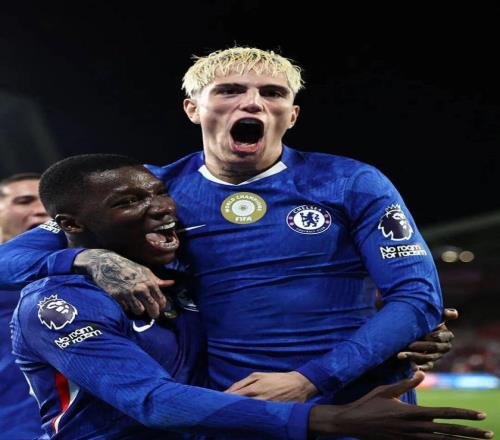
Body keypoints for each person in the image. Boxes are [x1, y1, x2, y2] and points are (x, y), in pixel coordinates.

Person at [0, 48, 460, 433]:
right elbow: (10, 260)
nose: (253, 102)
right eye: (230, 90)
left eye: (273, 93)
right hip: (236, 411)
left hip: (360, 400)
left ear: (292, 114)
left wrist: (310, 379)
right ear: (193, 109)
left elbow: (418, 298)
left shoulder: (350, 182)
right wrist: (88, 258)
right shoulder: (156, 191)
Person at [11, 154, 493, 440]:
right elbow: (153, 401)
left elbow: (268, 306)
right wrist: (332, 419)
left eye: (159, 194)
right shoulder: (59, 304)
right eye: (130, 202)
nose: (161, 208)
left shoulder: (178, 279)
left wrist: (394, 336)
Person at [0, 173, 49, 439]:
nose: (41, 210)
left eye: (47, 201)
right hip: (16, 425)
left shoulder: (86, 264)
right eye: (24, 201)